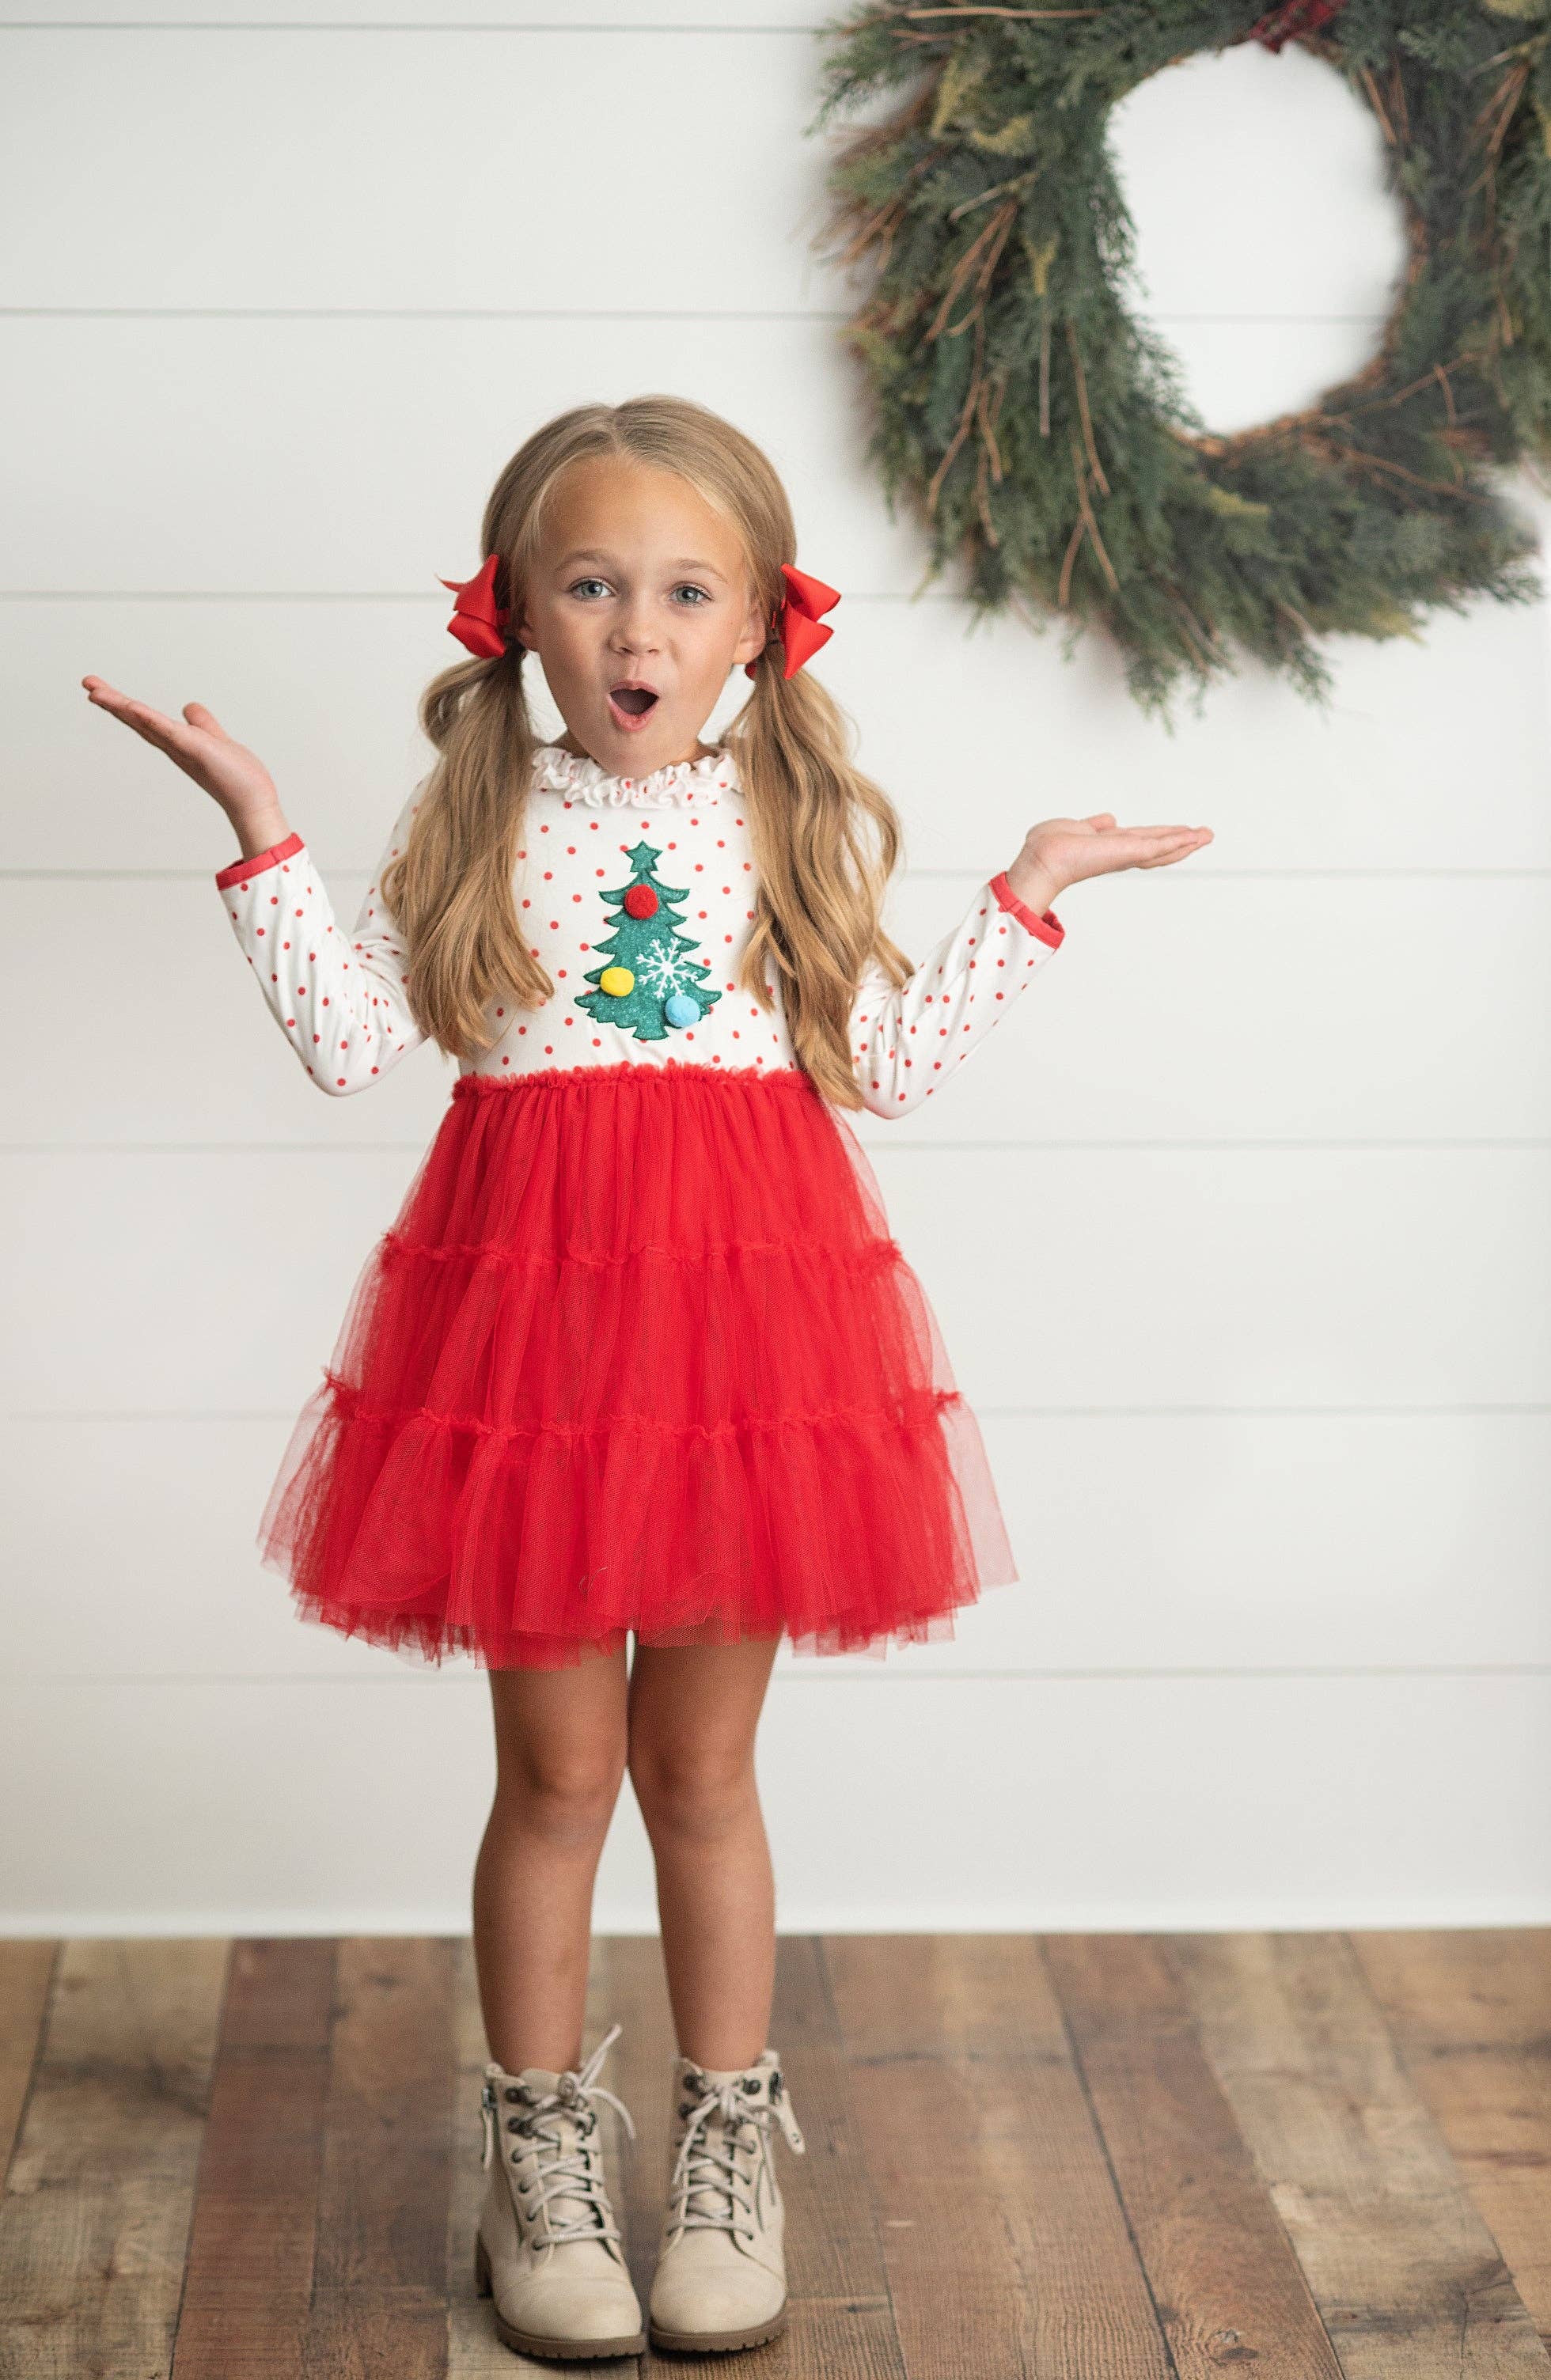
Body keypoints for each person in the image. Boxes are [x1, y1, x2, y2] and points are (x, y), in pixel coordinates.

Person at [82, 394, 1212, 2363]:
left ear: (759, 625)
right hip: (526, 1358)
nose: (637, 628)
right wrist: (258, 825)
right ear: (514, 612)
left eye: (687, 592)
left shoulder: (779, 817)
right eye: (593, 585)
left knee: (698, 1770)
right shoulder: (481, 818)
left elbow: (889, 1065)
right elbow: (351, 1046)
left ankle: (722, 2149)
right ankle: (535, 2157)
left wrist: (1027, 890)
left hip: (742, 1355)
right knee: (557, 1773)